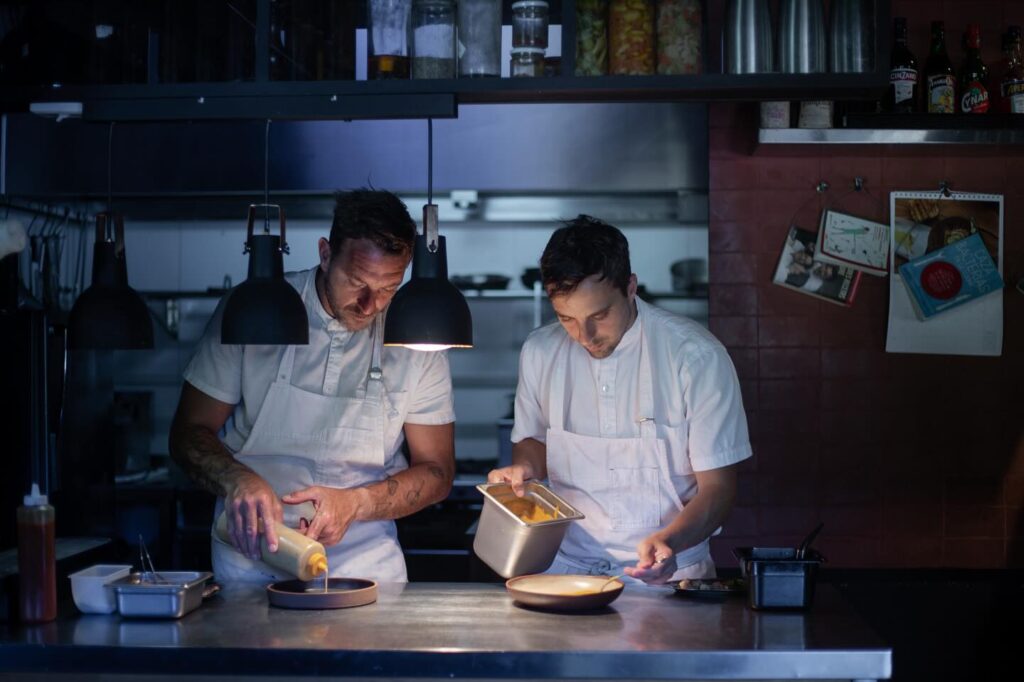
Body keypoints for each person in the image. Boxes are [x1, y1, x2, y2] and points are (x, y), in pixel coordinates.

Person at [169, 189, 456, 582]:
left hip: (366, 564)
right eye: (356, 282)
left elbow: (438, 473)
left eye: (388, 288)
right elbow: (187, 434)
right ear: (325, 254)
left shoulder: (419, 334)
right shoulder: (255, 309)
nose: (370, 305)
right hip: (253, 558)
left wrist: (356, 503)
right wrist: (236, 479)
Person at [488, 216, 751, 586]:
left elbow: (719, 488)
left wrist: (670, 541)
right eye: (567, 318)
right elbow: (533, 441)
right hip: (565, 573)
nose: (585, 335)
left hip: (671, 579)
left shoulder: (696, 356)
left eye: (599, 315)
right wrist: (524, 470)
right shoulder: (539, 351)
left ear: (630, 287)